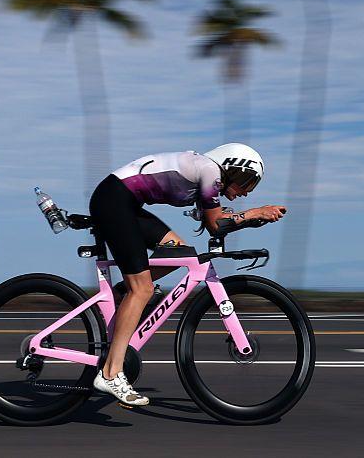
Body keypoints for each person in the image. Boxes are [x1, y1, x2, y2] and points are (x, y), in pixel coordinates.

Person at [88, 143, 286, 406]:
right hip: (114, 202)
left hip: (124, 203)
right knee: (143, 289)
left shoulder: (207, 174)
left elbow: (216, 222)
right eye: (245, 184)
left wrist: (251, 218)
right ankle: (110, 373)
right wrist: (256, 213)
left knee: (182, 254)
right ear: (233, 169)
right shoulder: (210, 172)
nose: (244, 193)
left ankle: (125, 293)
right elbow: (217, 225)